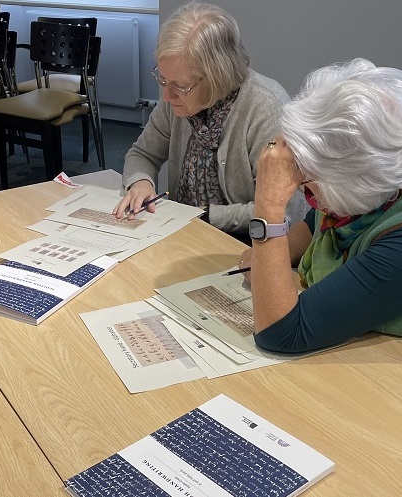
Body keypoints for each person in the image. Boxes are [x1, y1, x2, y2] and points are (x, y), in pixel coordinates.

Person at [239, 58, 402, 354]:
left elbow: (281, 335)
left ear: (356, 181)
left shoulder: (396, 243)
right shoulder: (359, 203)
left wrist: (269, 205)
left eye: (308, 179)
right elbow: (311, 227)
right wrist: (266, 260)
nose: (303, 188)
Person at [113, 2, 307, 238]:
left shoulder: (265, 108)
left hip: (249, 243)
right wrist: (141, 183)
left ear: (218, 77)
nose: (166, 95)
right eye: (162, 79)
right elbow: (143, 154)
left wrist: (207, 216)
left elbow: (285, 209)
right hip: (186, 229)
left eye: (180, 86)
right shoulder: (175, 97)